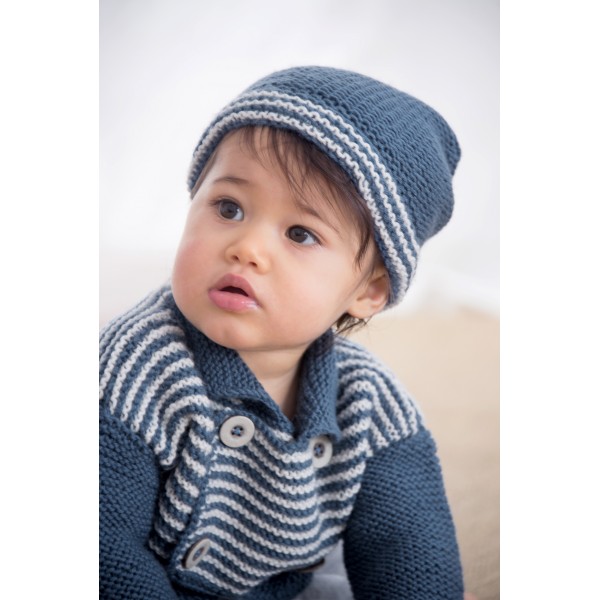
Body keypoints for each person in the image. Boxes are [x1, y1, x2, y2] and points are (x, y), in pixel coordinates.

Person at [100, 66, 465, 599]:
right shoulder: (134, 370)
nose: (248, 247)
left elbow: (409, 544)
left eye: (300, 233)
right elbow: (102, 547)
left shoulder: (368, 402)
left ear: (370, 291)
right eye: (229, 208)